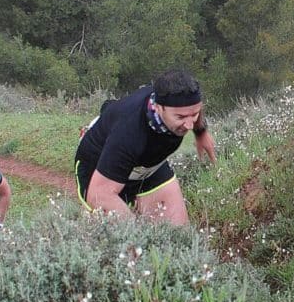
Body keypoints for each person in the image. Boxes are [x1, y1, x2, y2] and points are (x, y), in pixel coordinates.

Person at [74, 69, 217, 224]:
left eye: (194, 114)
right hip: (101, 167)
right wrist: (136, 234)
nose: (189, 125)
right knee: (122, 242)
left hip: (148, 166)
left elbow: (192, 108)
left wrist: (201, 132)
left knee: (179, 233)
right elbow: (99, 194)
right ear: (158, 107)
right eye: (180, 117)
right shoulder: (129, 133)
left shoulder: (176, 104)